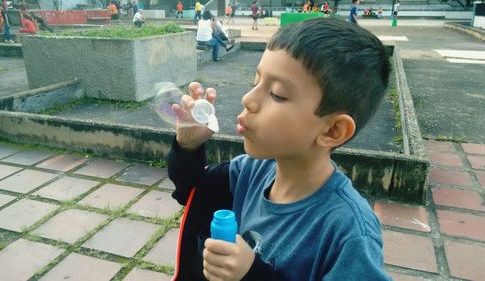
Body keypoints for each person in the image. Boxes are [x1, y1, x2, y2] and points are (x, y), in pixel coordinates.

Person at [168, 18, 392, 280]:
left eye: (277, 94)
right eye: (256, 82)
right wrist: (188, 146)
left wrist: (253, 275)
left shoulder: (348, 232)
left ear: (333, 130)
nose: (248, 100)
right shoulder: (249, 172)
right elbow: (192, 191)